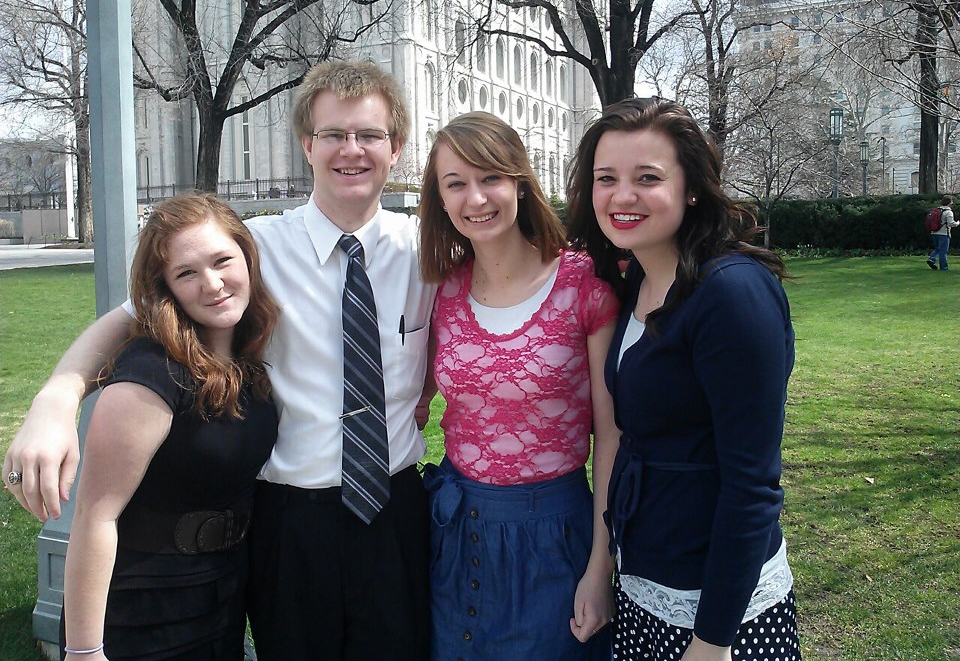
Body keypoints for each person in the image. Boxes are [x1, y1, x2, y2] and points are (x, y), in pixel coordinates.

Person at [3, 60, 435, 661]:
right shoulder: (251, 249)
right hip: (290, 519)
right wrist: (56, 398)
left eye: (370, 135)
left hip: (395, 508)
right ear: (307, 145)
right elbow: (128, 320)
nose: (351, 150)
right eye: (334, 134)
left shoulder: (429, 251)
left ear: (398, 148)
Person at [566, 97, 801, 661]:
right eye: (606, 178)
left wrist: (712, 642)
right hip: (645, 587)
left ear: (691, 187)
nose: (622, 196)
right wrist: (604, 570)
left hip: (721, 614)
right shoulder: (635, 283)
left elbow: (752, 486)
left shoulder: (731, 294)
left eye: (647, 178)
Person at [418, 112, 619, 660]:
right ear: (439, 198)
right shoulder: (441, 291)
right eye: (455, 184)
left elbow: (612, 439)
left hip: (553, 538)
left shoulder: (583, 285)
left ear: (520, 183)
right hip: (456, 534)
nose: (475, 198)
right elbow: (413, 400)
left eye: (490, 178)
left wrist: (601, 563)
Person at [60, 194, 280, 660]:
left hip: (222, 597)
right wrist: (83, 651)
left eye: (223, 260)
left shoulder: (247, 361)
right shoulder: (151, 372)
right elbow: (95, 516)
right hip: (144, 612)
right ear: (167, 289)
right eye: (187, 273)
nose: (213, 283)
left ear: (247, 256)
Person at [927, 195, 958, 271]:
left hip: (934, 233)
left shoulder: (936, 210)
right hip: (944, 233)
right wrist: (957, 223)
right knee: (943, 251)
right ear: (949, 202)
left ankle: (931, 258)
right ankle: (944, 267)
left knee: (937, 248)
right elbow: (951, 223)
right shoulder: (948, 212)